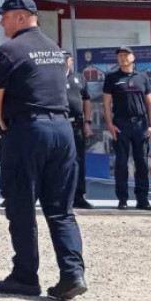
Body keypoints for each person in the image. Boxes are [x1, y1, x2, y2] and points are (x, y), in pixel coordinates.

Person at [0, 0, 87, 301]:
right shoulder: (55, 50)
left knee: (21, 205)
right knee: (61, 209)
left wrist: (3, 125)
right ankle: (72, 274)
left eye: (4, 15)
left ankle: (25, 277)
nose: (1, 21)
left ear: (20, 16)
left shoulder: (8, 51)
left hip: (29, 131)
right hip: (62, 132)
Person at [102, 46, 151, 210]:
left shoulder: (143, 77)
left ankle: (143, 200)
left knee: (142, 163)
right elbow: (106, 103)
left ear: (133, 58)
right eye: (120, 56)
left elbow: (150, 104)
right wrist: (110, 124)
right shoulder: (111, 78)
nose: (123, 58)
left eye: (126, 55)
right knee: (121, 163)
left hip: (140, 124)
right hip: (120, 124)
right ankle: (122, 199)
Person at [64, 51, 95, 210]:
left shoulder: (79, 78)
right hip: (59, 124)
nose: (63, 62)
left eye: (66, 59)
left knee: (78, 162)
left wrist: (87, 122)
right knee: (57, 161)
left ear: (71, 60)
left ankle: (79, 196)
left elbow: (87, 100)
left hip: (76, 125)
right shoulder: (52, 78)